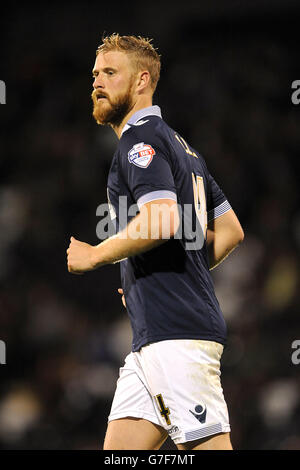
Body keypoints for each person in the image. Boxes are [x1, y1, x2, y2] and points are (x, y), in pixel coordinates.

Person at [66, 33, 244, 450]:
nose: (97, 82)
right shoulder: (185, 149)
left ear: (142, 80)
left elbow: (161, 220)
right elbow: (231, 230)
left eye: (111, 73)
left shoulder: (139, 141)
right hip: (153, 338)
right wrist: (153, 277)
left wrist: (95, 255)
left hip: (177, 336)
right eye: (95, 74)